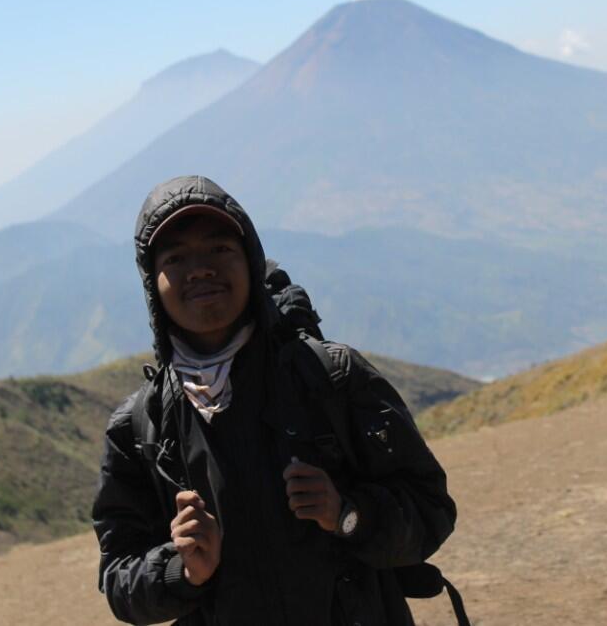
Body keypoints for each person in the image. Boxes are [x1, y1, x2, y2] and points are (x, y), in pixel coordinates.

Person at [92, 175, 457, 625]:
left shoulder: (332, 377)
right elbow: (118, 579)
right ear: (153, 283)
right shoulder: (138, 429)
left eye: (219, 249)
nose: (200, 268)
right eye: (176, 257)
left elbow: (430, 509)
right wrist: (180, 569)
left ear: (250, 261)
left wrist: (347, 514)